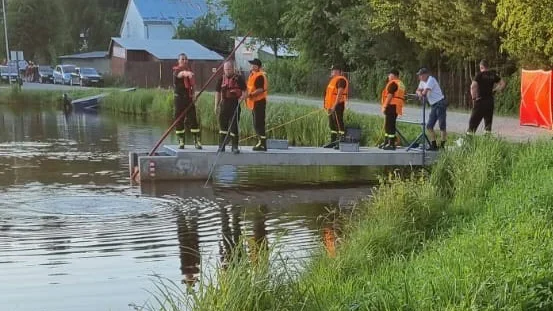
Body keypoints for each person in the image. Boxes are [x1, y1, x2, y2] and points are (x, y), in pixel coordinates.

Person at [215, 61, 247, 154]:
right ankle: (222, 146)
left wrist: (241, 99)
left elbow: (245, 92)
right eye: (225, 69)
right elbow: (217, 93)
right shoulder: (221, 79)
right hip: (224, 104)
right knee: (222, 127)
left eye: (229, 69)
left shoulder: (239, 79)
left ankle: (234, 147)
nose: (227, 71)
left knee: (234, 127)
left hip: (234, 105)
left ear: (233, 69)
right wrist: (216, 106)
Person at [467, 59, 506, 134]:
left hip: (480, 101)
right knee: (488, 123)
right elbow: (503, 83)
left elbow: (473, 86)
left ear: (481, 67)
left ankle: (468, 141)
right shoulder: (493, 75)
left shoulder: (479, 75)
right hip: (490, 102)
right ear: (488, 66)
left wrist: (473, 97)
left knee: (473, 122)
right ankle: (486, 141)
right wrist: (495, 90)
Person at [172, 53, 201, 149]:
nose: (184, 61)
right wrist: (187, 73)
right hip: (179, 99)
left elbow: (193, 85)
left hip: (188, 99)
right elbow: (181, 75)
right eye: (182, 59)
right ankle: (181, 140)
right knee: (179, 120)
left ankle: (196, 140)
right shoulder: (176, 71)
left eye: (186, 59)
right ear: (179, 61)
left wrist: (194, 95)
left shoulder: (189, 71)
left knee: (193, 119)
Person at [416, 67, 447, 150]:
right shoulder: (422, 82)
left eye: (421, 75)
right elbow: (418, 90)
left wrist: (420, 94)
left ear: (426, 75)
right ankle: (433, 145)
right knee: (429, 126)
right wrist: (419, 93)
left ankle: (442, 145)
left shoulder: (431, 80)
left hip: (440, 103)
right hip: (433, 105)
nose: (420, 77)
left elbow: (424, 92)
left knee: (442, 125)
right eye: (419, 75)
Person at [323, 65, 349, 149]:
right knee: (332, 124)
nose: (331, 72)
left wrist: (334, 106)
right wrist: (326, 106)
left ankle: (341, 141)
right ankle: (333, 141)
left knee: (338, 123)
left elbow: (339, 94)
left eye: (333, 70)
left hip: (337, 105)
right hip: (330, 106)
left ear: (338, 72)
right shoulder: (332, 81)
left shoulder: (341, 80)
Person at [379, 69, 405, 150]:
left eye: (389, 75)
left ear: (394, 75)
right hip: (396, 106)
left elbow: (390, 95)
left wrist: (384, 106)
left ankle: (391, 144)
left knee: (390, 125)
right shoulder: (400, 83)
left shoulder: (393, 83)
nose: (388, 77)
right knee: (388, 124)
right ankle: (387, 142)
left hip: (392, 105)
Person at [246, 58, 268, 151]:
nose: (251, 66)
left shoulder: (259, 76)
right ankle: (260, 142)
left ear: (257, 66)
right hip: (254, 103)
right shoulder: (252, 75)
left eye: (253, 64)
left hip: (259, 102)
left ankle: (262, 144)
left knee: (258, 123)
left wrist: (250, 94)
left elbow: (260, 90)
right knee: (256, 123)